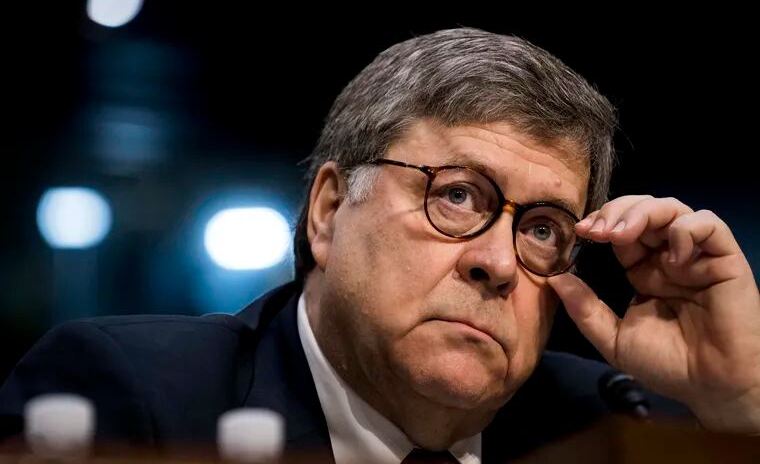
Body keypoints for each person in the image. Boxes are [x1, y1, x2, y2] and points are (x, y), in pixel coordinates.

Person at [1, 28, 758, 463]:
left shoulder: (607, 425)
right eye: (457, 195)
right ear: (329, 211)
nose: (498, 262)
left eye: (541, 230)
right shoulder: (136, 398)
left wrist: (738, 405)